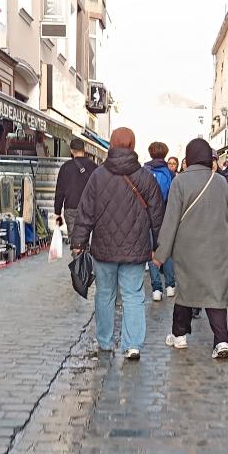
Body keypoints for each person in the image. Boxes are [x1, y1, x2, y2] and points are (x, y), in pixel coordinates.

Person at [70, 128, 164, 360]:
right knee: (133, 295)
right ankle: (133, 345)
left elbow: (85, 212)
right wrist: (159, 246)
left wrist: (78, 242)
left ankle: (104, 341)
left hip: (103, 248)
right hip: (136, 248)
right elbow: (157, 215)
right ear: (133, 145)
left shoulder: (98, 176)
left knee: (104, 294)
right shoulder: (145, 177)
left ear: (111, 145)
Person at [154, 138, 228, 359]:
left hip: (187, 248)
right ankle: (222, 340)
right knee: (216, 293)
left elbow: (170, 221)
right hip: (216, 248)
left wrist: (160, 254)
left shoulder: (180, 182)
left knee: (186, 291)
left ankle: (179, 335)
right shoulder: (221, 182)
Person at [143, 142, 176, 301]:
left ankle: (157, 289)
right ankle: (170, 285)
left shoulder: (143, 172)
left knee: (151, 251)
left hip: (147, 217)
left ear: (150, 153)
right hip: (166, 217)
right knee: (167, 250)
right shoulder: (170, 174)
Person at [54, 138, 97, 235]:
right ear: (84, 149)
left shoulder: (65, 167)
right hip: (89, 209)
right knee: (88, 239)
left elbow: (60, 191)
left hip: (71, 208)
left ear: (71, 150)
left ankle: (76, 249)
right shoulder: (94, 166)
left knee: (75, 243)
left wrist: (57, 213)